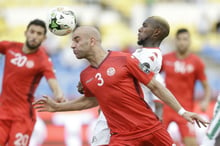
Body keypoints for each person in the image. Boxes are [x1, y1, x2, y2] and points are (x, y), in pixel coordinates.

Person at [33, 26, 209, 146]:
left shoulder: (124, 59)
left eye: (77, 40)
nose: (72, 45)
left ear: (92, 41)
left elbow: (155, 86)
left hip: (150, 129)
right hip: (122, 138)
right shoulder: (85, 76)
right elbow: (90, 102)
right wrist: (58, 107)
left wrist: (183, 112)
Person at [87, 16, 169, 146]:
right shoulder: (138, 55)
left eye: (145, 26)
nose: (139, 29)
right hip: (118, 114)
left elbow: (123, 79)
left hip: (128, 116)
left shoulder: (150, 57)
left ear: (156, 32)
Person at [0, 19, 65, 146]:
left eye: (39, 34)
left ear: (44, 38)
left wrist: (58, 94)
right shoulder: (10, 47)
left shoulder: (43, 60)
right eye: (32, 32)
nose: (34, 36)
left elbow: (52, 79)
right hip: (2, 113)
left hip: (23, 117)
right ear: (26, 33)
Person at [161, 28, 211, 146]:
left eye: (185, 39)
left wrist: (206, 101)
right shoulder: (165, 59)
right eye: (179, 39)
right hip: (165, 109)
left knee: (191, 143)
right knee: (156, 141)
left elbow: (206, 87)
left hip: (185, 110)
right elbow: (152, 80)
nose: (182, 42)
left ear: (189, 41)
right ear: (175, 41)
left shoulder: (196, 62)